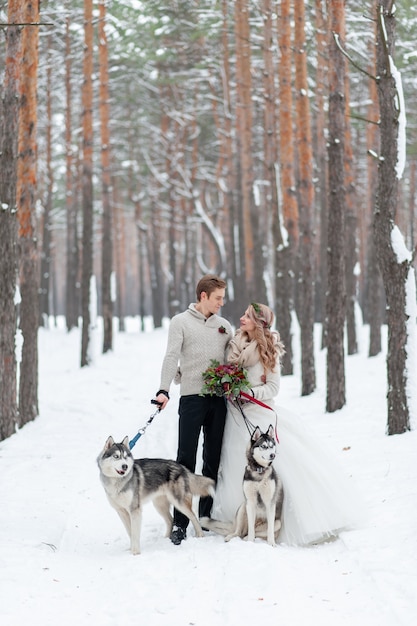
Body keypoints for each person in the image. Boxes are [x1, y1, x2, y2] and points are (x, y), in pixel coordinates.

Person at [212, 302, 365, 546]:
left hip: (260, 416)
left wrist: (247, 392)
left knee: (280, 467)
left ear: (259, 324)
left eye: (247, 316)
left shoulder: (268, 351)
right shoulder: (233, 345)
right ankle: (240, 517)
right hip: (235, 415)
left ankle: (283, 519)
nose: (241, 318)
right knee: (234, 466)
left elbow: (273, 388)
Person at [155, 274, 232, 545]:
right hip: (191, 399)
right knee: (185, 460)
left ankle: (206, 516)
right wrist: (164, 388)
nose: (222, 303)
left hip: (218, 400)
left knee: (212, 459)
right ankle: (180, 522)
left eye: (223, 298)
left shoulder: (224, 327)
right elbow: (171, 356)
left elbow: (231, 361)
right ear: (203, 296)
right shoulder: (181, 322)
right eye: (218, 298)